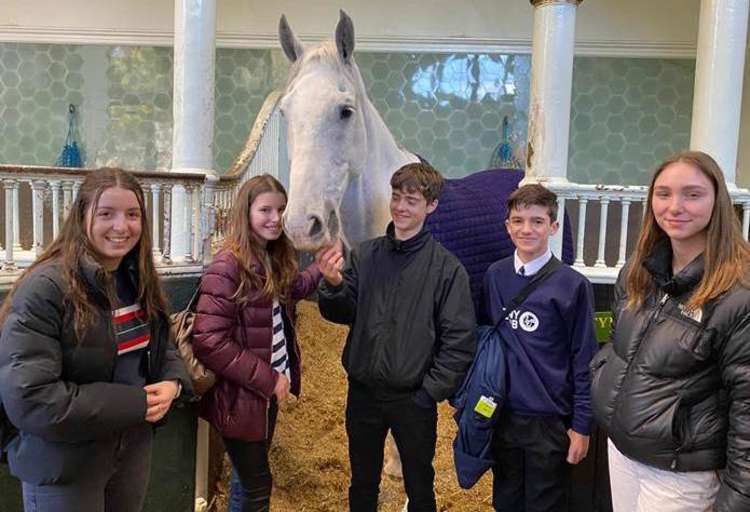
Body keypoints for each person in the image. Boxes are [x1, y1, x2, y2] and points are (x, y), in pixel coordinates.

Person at [0, 168, 189, 512]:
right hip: (65, 464)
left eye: (132, 214)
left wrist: (173, 382)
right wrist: (136, 403)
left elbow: (162, 345)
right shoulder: (45, 289)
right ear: (82, 216)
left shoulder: (137, 278)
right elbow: (32, 400)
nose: (122, 226)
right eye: (106, 213)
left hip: (131, 451)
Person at [591, 150, 750, 511]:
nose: (675, 206)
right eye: (663, 193)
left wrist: (737, 498)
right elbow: (617, 342)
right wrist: (601, 378)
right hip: (623, 451)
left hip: (681, 472)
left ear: (718, 202)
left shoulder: (738, 293)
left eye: (692, 194)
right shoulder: (638, 269)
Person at [316, 162, 476, 512]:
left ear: (431, 206)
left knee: (420, 486)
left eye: (412, 200)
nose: (401, 207)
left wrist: (429, 392)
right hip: (363, 394)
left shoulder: (446, 269)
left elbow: (460, 340)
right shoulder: (366, 254)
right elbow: (340, 312)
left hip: (413, 399)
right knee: (362, 483)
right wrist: (333, 285)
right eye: (397, 197)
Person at [191, 174, 328, 512]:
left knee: (246, 480)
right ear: (246, 212)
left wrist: (320, 270)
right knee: (257, 487)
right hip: (241, 395)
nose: (275, 218)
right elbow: (208, 340)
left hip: (263, 394)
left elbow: (289, 290)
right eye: (265, 209)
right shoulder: (229, 265)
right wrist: (269, 379)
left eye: (280, 209)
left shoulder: (268, 255)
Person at [480, 184, 598, 512]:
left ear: (553, 227)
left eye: (537, 221)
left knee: (544, 504)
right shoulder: (495, 276)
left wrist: (581, 426)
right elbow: (484, 342)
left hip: (548, 420)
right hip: (502, 415)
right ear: (507, 226)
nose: (526, 229)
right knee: (504, 501)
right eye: (518, 221)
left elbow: (583, 359)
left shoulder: (573, 286)